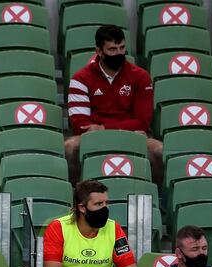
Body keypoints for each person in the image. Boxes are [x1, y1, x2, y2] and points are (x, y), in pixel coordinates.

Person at [64, 25, 163, 185]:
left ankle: (156, 201)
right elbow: (80, 125)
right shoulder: (80, 79)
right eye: (112, 49)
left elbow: (143, 122)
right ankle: (76, 197)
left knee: (158, 150)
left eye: (122, 47)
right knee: (70, 146)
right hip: (96, 137)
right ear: (99, 52)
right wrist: (119, 128)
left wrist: (102, 127)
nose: (119, 53)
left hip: (131, 136)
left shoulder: (140, 76)